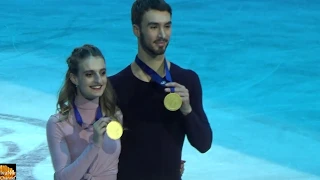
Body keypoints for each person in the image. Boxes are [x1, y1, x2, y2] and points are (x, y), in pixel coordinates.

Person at [108, 0, 213, 179]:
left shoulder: (187, 80)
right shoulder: (115, 87)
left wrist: (187, 110)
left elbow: (203, 144)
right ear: (136, 30)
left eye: (167, 26)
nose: (162, 34)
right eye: (154, 27)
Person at [46, 44, 123, 180]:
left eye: (102, 73)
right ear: (74, 78)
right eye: (89, 74)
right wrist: (94, 144)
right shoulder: (59, 123)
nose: (98, 80)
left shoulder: (114, 116)